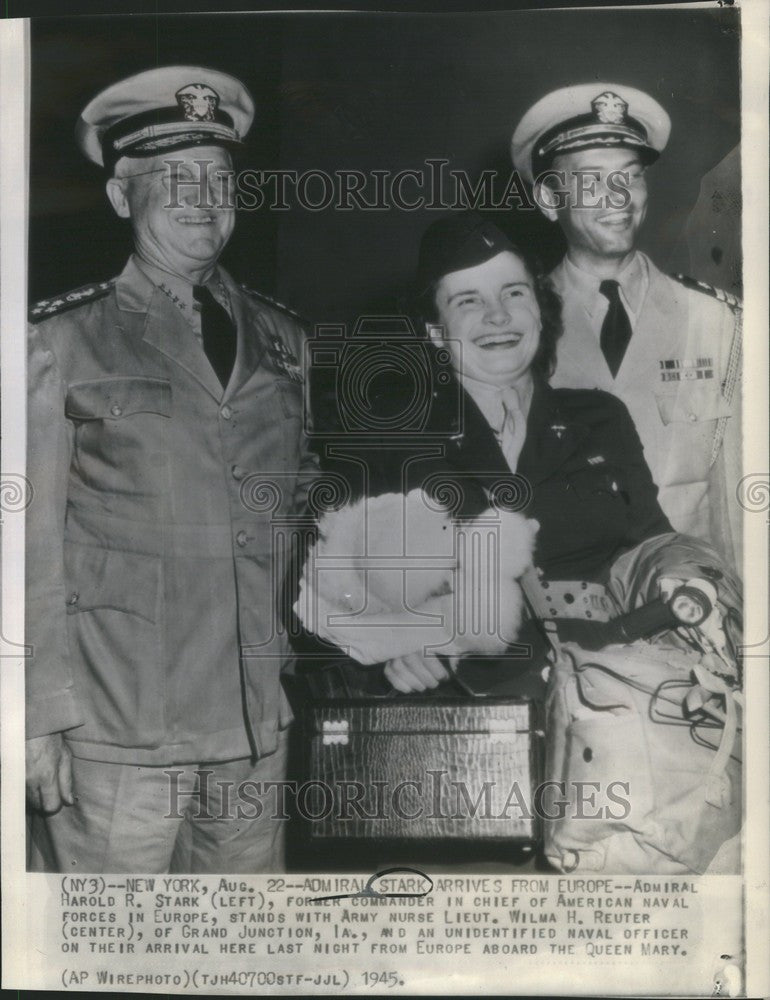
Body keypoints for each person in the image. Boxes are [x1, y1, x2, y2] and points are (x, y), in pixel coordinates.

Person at [25, 66, 317, 873]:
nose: (202, 197)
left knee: (240, 965)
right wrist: (32, 718)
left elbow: (299, 509)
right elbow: (23, 547)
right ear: (123, 198)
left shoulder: (284, 339)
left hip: (255, 728)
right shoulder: (57, 341)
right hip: (116, 732)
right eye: (173, 177)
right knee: (106, 968)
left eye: (219, 178)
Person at [361, 212, 740, 697]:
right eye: (468, 300)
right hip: (465, 716)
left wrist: (681, 575)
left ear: (539, 309)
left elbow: (649, 541)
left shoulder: (601, 420)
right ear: (435, 331)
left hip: (609, 701)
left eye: (513, 293)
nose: (498, 316)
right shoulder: (391, 442)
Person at [511, 83, 742, 570]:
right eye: (592, 180)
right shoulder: (511, 328)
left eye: (629, 177)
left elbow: (739, 499)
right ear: (550, 199)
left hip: (695, 606)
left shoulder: (717, 321)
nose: (618, 198)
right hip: (567, 617)